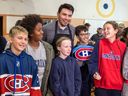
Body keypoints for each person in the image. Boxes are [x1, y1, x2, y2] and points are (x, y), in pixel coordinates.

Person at [0, 26, 41, 96]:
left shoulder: (30, 61)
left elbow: (35, 88)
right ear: (11, 39)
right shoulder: (1, 59)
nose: (23, 42)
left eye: (25, 39)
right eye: (20, 38)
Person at [88, 21, 126, 96]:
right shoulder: (99, 43)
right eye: (104, 29)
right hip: (101, 84)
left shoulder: (123, 46)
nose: (105, 31)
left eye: (108, 28)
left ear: (116, 30)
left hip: (117, 86)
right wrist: (94, 72)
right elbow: (92, 61)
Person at [20, 14, 54, 96]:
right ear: (31, 33)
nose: (42, 32)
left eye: (42, 29)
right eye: (39, 30)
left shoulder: (48, 49)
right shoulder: (22, 48)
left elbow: (50, 75)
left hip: (42, 92)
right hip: (24, 91)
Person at [73, 25, 94, 96]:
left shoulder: (93, 48)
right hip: (80, 79)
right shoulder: (74, 50)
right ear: (77, 36)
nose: (85, 36)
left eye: (87, 34)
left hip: (92, 79)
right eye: (82, 34)